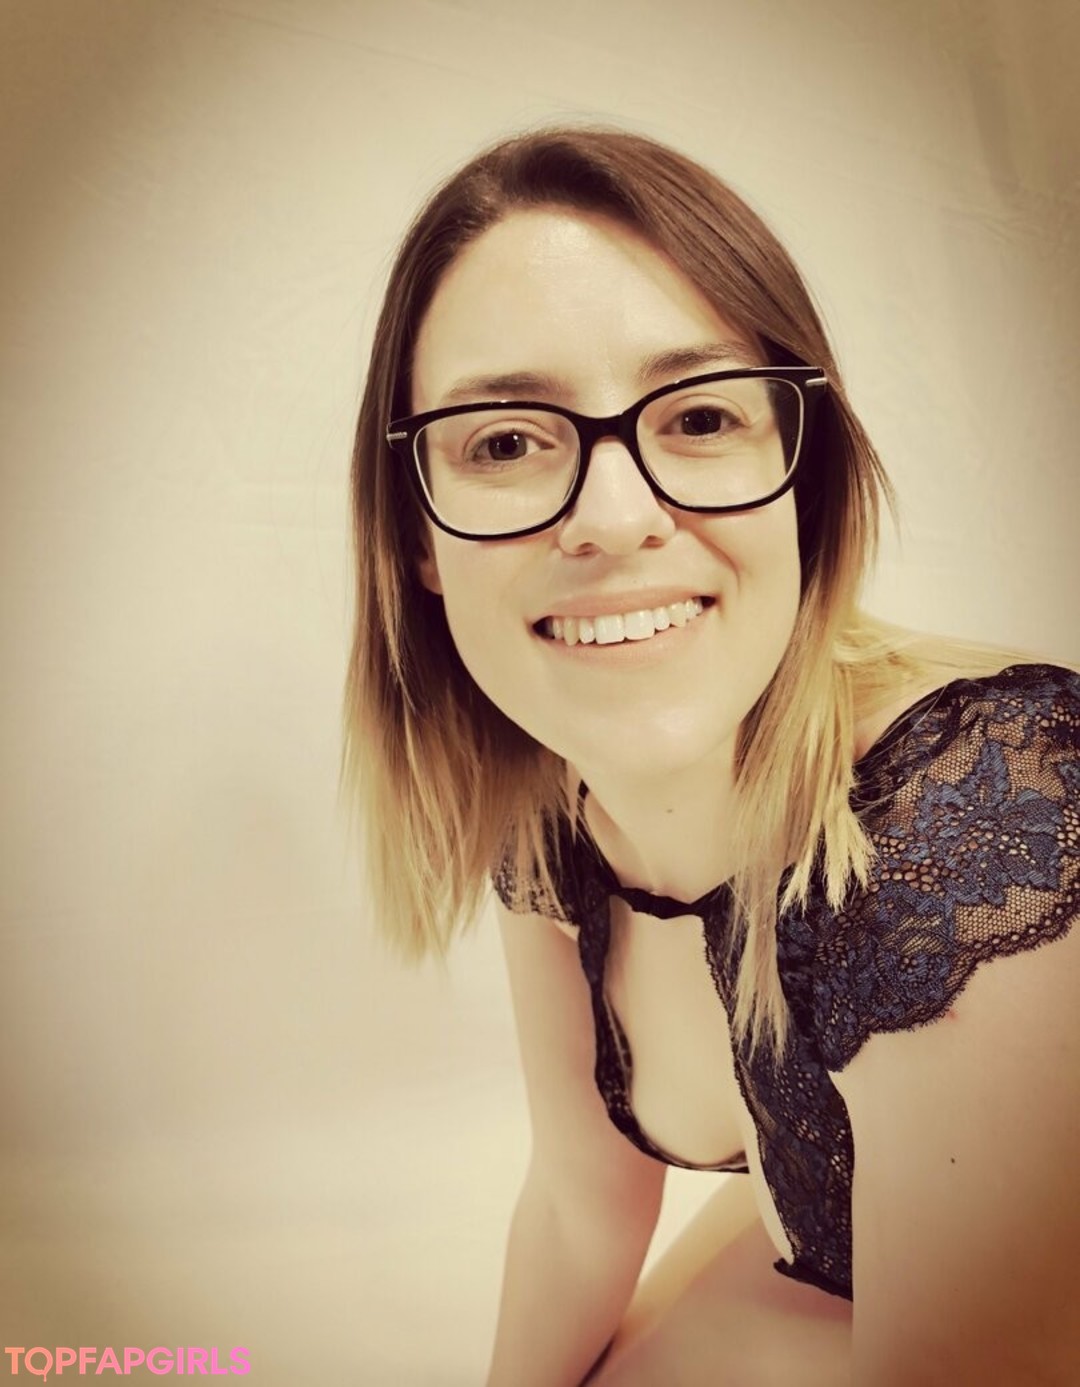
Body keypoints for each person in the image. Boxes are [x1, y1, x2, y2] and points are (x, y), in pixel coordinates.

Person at [340, 127, 1080, 1386]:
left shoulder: (987, 821)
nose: (615, 518)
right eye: (505, 441)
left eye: (698, 416)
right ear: (416, 537)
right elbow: (580, 1202)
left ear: (804, 480)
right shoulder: (549, 814)